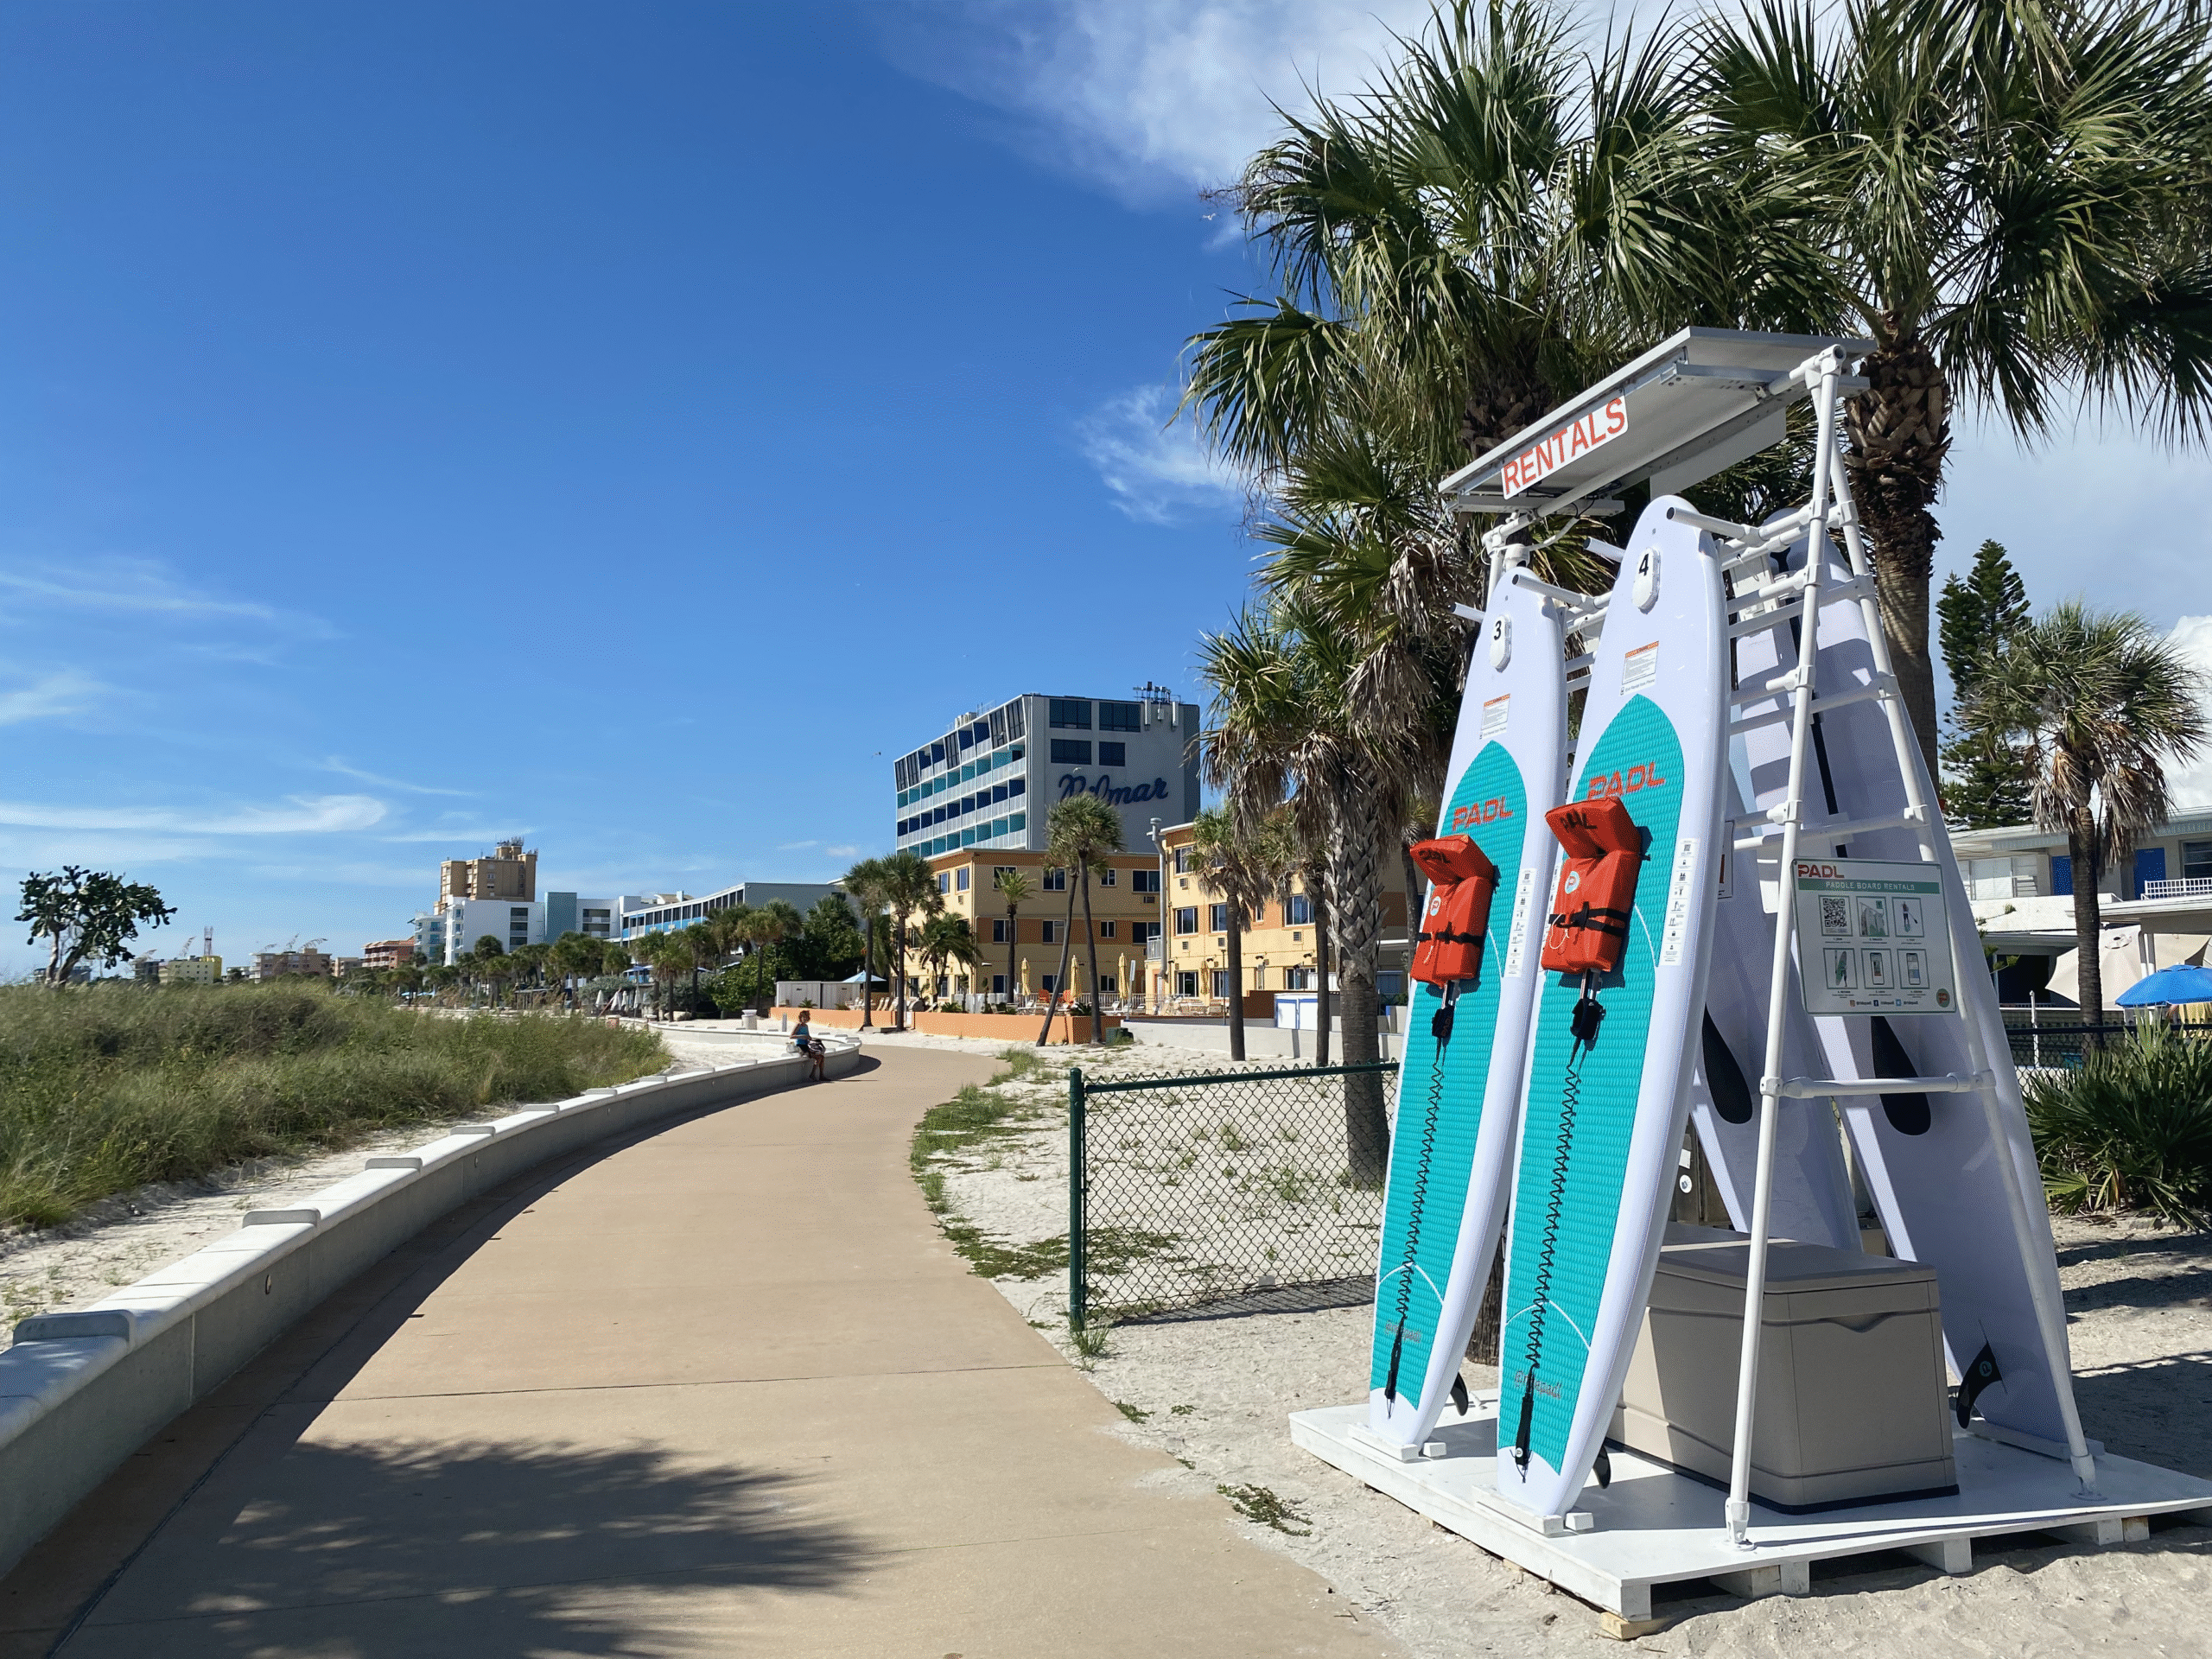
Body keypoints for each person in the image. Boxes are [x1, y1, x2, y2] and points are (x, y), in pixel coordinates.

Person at [791, 1012, 827, 1080]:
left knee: (822, 1057)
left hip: (807, 1045)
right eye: (803, 1017)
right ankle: (812, 1074)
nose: (805, 1019)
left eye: (806, 1017)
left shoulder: (806, 1026)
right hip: (801, 1046)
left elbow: (808, 1036)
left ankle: (821, 1076)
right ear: (800, 1018)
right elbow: (791, 1036)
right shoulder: (798, 1025)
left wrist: (812, 1040)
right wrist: (803, 1036)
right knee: (818, 1058)